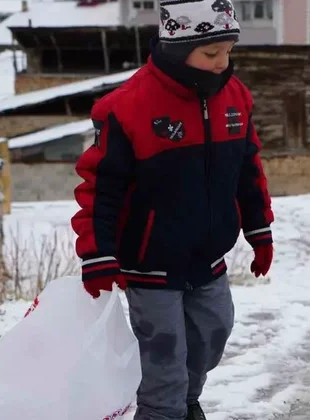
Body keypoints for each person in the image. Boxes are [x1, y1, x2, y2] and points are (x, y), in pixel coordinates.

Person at [70, 1, 274, 419]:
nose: (223, 63)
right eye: (212, 54)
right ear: (180, 49)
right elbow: (101, 189)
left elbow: (248, 170)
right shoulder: (128, 108)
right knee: (164, 357)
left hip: (209, 256)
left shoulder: (235, 98)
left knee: (213, 333)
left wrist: (259, 230)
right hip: (150, 261)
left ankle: (184, 402)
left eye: (229, 51)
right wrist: (98, 254)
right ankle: (164, 410)